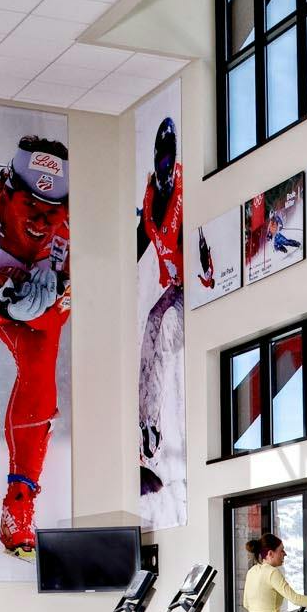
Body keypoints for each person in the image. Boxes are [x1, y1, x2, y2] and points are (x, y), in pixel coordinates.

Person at [0, 134, 72, 558]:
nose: (41, 223)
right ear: (6, 190)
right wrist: (4, 304)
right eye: (31, 208)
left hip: (17, 294)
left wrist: (31, 306)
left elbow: (57, 317)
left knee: (42, 372)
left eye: (52, 213)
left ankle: (19, 508)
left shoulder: (71, 232)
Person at [134, 116, 184, 503]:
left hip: (198, 292)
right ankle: (147, 426)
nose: (165, 168)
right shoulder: (153, 195)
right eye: (161, 160)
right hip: (176, 286)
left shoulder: (185, 191)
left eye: (170, 160)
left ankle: (161, 428)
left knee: (165, 327)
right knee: (149, 327)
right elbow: (139, 240)